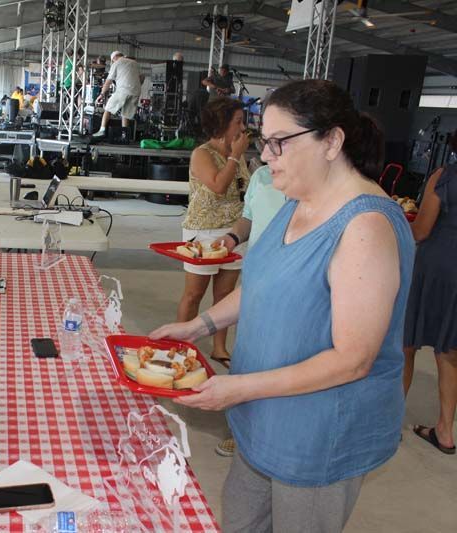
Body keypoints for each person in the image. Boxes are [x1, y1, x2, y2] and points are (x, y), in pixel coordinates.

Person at [151, 79, 415, 532]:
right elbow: (261, 287)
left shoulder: (365, 227)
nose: (265, 155)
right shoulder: (298, 202)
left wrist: (239, 388)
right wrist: (199, 325)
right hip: (262, 416)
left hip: (316, 436)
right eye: (263, 140)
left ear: (332, 141)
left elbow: (353, 360)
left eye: (279, 143)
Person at [213, 164, 286, 457]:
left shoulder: (308, 182)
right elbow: (248, 218)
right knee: (247, 356)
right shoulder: (261, 176)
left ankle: (270, 434)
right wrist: (231, 238)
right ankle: (239, 430)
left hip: (289, 283)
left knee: (279, 359)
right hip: (255, 278)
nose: (266, 152)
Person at [179, 97, 250, 362]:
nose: (243, 128)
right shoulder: (202, 153)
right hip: (203, 232)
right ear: (222, 123)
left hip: (234, 232)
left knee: (224, 296)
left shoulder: (238, 155)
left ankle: (219, 347)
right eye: (238, 122)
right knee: (194, 293)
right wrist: (234, 156)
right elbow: (218, 185)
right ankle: (182, 343)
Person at [403, 132, 457, 455]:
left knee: (407, 343)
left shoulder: (444, 176)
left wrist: (396, 218)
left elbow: (422, 230)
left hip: (436, 268)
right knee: (450, 351)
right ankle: (445, 432)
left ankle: (389, 424)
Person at [92, 51, 141, 140]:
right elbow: (142, 77)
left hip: (123, 90)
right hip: (135, 91)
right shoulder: (135, 63)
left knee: (108, 108)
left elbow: (108, 81)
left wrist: (102, 94)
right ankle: (124, 135)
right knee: (125, 114)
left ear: (114, 58)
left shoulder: (117, 63)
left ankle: (102, 130)